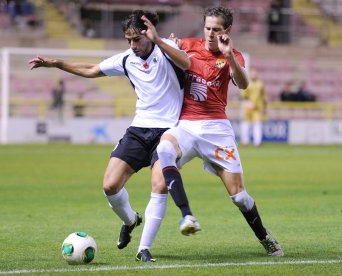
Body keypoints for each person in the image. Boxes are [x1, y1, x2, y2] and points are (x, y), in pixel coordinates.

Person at [29, 10, 189, 262]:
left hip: (170, 131)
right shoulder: (127, 59)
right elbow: (92, 69)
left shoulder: (166, 47)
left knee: (159, 186)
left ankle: (144, 249)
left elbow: (187, 63)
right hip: (139, 129)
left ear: (148, 34)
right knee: (110, 185)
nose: (133, 45)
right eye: (128, 40)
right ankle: (130, 220)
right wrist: (56, 64)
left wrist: (159, 41)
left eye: (137, 39)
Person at [157, 6, 284, 257]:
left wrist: (229, 57)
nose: (211, 33)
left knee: (239, 197)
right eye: (207, 28)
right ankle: (155, 238)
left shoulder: (233, 55)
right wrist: (170, 44)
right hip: (187, 124)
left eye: (216, 29)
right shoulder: (188, 45)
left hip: (217, 129)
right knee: (163, 152)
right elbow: (162, 50)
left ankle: (265, 237)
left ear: (227, 31)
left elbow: (245, 84)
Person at [240, 68, 266, 147]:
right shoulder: (247, 83)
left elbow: (263, 96)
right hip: (248, 107)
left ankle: (257, 142)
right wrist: (248, 103)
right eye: (252, 73)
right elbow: (244, 95)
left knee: (257, 124)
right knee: (246, 124)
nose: (253, 74)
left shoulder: (260, 83)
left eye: (255, 73)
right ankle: (245, 141)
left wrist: (264, 107)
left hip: (258, 107)